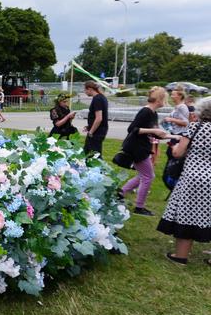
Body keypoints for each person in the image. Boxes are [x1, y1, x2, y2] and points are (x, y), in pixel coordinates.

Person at [157, 97, 211, 265]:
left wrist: (173, 147)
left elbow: (178, 153)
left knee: (187, 214)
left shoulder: (194, 128)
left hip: (192, 178)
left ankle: (180, 256)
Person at [119, 87, 171, 216]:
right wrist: (153, 131)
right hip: (136, 149)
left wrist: (175, 137)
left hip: (143, 148)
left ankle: (120, 193)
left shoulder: (153, 113)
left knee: (143, 175)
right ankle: (139, 207)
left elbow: (157, 133)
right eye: (165, 99)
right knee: (148, 176)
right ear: (159, 99)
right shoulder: (146, 112)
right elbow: (132, 129)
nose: (166, 101)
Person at [83, 81, 108, 157]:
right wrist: (89, 126)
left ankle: (99, 168)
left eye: (85, 90)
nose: (85, 92)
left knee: (93, 155)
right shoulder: (101, 97)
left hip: (97, 132)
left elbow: (99, 118)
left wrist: (91, 132)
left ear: (90, 89)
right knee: (88, 152)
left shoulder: (97, 99)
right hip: (98, 130)